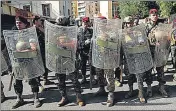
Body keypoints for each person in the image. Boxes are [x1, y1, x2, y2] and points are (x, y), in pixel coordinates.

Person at [3, 16, 44, 109]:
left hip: (28, 61)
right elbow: (9, 49)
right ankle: (19, 98)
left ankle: (36, 98)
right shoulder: (13, 34)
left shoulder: (29, 34)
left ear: (25, 24)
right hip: (17, 62)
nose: (18, 24)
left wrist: (22, 51)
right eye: (17, 22)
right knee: (17, 81)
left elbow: (34, 48)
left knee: (32, 80)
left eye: (20, 22)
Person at [45, 16, 85, 107]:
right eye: (59, 25)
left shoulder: (72, 32)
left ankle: (78, 96)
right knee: (60, 80)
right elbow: (50, 46)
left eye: (62, 25)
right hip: (58, 60)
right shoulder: (54, 35)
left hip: (70, 59)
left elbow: (76, 45)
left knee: (74, 80)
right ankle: (64, 97)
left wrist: (62, 44)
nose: (60, 27)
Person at [145, 9, 169, 98]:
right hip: (150, 51)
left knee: (160, 69)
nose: (154, 16)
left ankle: (161, 88)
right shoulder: (146, 26)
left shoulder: (161, 26)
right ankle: (149, 88)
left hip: (160, 51)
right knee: (149, 70)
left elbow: (166, 36)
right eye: (152, 15)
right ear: (150, 16)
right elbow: (142, 38)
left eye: (156, 14)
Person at [33, 16, 55, 88]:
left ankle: (45, 79)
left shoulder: (40, 28)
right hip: (37, 50)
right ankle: (38, 83)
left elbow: (47, 35)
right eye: (39, 20)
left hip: (44, 49)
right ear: (36, 21)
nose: (41, 22)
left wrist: (41, 28)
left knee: (45, 65)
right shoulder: (32, 30)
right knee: (38, 66)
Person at [77, 17, 93, 84]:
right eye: (84, 22)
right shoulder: (78, 30)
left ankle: (92, 78)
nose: (85, 24)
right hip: (82, 50)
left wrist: (90, 41)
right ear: (82, 22)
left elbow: (94, 39)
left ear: (89, 22)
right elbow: (77, 40)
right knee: (82, 65)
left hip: (89, 50)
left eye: (86, 22)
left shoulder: (91, 30)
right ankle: (84, 78)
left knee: (91, 64)